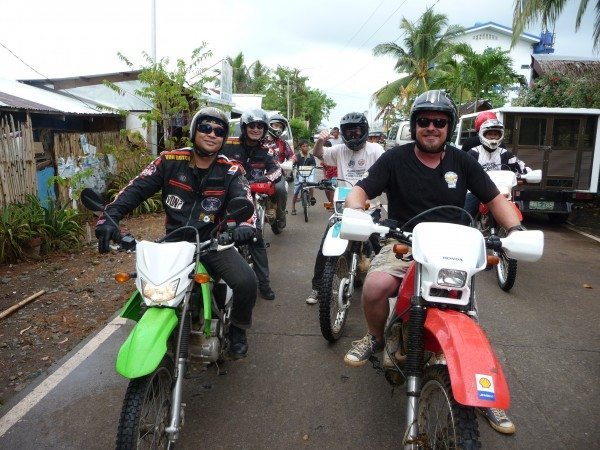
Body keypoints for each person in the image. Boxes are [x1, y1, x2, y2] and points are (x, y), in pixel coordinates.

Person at [342, 90, 524, 435]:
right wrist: (354, 210)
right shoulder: (394, 159)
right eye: (423, 121)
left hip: (452, 247)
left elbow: (494, 198)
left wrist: (515, 229)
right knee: (376, 285)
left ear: (448, 127)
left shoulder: (462, 161)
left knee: (466, 316)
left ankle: (484, 395)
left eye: (439, 122)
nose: (431, 127)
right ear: (414, 125)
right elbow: (361, 190)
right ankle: (375, 336)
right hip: (405, 242)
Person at [94, 107, 257, 358]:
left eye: (219, 131)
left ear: (224, 138)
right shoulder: (168, 161)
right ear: (194, 131)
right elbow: (134, 190)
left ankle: (238, 330)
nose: (212, 134)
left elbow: (244, 199)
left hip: (211, 244)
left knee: (246, 280)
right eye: (205, 127)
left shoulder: (231, 170)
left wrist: (244, 227)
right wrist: (109, 218)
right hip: (171, 245)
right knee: (149, 294)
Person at [305, 112, 385, 305]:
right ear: (343, 133)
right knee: (326, 246)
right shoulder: (339, 150)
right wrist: (320, 141)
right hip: (343, 209)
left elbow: (386, 169)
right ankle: (317, 287)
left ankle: (388, 290)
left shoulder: (375, 149)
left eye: (357, 131)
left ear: (364, 131)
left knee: (381, 247)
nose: (353, 135)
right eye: (348, 132)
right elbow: (318, 154)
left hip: (369, 208)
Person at [221, 108, 279, 301]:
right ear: (244, 127)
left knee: (256, 239)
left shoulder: (267, 150)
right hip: (223, 195)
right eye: (252, 125)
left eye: (260, 126)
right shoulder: (227, 144)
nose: (256, 129)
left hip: (251, 195)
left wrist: (264, 179)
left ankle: (264, 284)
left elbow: (276, 170)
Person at [463, 118, 532, 221]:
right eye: (490, 134)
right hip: (477, 192)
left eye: (496, 134)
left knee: (513, 213)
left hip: (499, 192)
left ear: (500, 135)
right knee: (464, 216)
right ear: (483, 134)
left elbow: (520, 166)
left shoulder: (506, 154)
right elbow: (462, 169)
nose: (493, 137)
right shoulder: (473, 153)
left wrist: (529, 173)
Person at [263, 113, 294, 231]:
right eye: (276, 125)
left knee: (280, 189)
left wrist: (290, 161)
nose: (278, 129)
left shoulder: (283, 143)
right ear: (269, 125)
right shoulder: (261, 141)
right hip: (260, 173)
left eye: (281, 127)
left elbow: (293, 156)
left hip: (278, 174)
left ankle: (281, 216)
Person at [290, 139, 317, 215]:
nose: (305, 147)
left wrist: (313, 167)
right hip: (300, 176)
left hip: (308, 175)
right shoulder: (297, 156)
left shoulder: (311, 156)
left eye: (306, 146)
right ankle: (293, 207)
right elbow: (293, 161)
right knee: (296, 192)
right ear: (300, 148)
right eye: (303, 146)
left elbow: (313, 165)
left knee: (312, 184)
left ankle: (311, 197)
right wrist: (291, 164)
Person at [321, 126, 342, 202]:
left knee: (332, 188)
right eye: (333, 132)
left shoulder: (341, 141)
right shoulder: (325, 158)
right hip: (328, 175)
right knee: (326, 189)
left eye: (336, 132)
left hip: (336, 175)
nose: (334, 133)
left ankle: (333, 204)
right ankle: (330, 202)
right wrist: (324, 176)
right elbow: (323, 166)